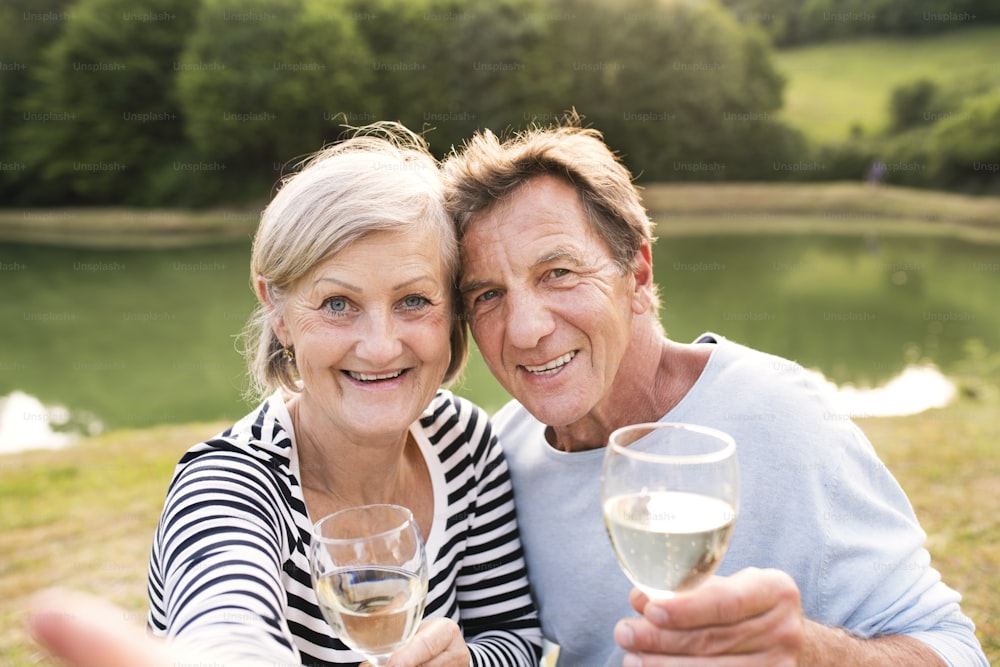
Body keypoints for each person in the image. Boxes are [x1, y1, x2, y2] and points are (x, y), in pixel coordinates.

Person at [440, 118, 988, 667]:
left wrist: (807, 652)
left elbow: (954, 650)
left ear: (636, 275)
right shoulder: (498, 459)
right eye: (488, 294)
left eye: (558, 272)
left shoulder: (780, 417)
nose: (525, 329)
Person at [28, 124, 542, 667]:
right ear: (276, 308)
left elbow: (511, 634)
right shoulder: (225, 483)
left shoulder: (465, 444)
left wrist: (471, 663)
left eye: (414, 300)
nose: (380, 346)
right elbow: (226, 626)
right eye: (338, 304)